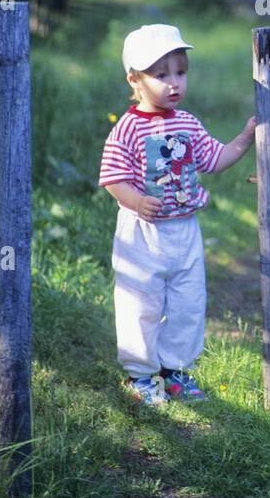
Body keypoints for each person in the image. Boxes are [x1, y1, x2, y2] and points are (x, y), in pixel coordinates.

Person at [98, 23, 256, 406]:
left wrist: (245, 138)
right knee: (141, 302)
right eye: (161, 74)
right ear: (134, 80)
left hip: (185, 230)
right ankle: (141, 375)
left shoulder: (188, 123)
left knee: (188, 302)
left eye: (180, 72)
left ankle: (175, 372)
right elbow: (113, 177)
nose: (174, 83)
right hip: (142, 233)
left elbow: (214, 158)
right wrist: (135, 201)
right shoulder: (128, 128)